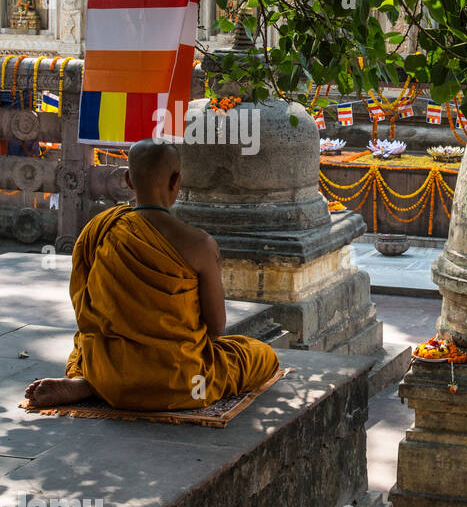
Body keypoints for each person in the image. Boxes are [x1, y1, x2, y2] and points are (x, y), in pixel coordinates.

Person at [24, 139, 279, 411]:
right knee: (262, 356)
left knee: (85, 347)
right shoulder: (201, 244)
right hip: (182, 381)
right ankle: (115, 382)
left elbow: (85, 309)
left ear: (128, 180)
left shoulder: (100, 230)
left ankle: (92, 383)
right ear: (176, 180)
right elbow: (216, 327)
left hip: (111, 371)